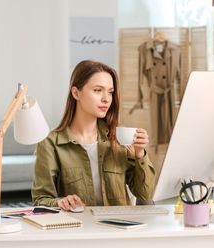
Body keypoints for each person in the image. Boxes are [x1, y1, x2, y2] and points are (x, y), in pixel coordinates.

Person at [31, 60, 155, 211]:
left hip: (119, 229)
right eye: (98, 90)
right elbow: (40, 200)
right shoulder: (50, 144)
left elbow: (145, 194)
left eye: (110, 92)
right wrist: (61, 202)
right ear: (76, 93)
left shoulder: (119, 139)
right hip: (79, 231)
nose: (106, 99)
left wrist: (140, 155)